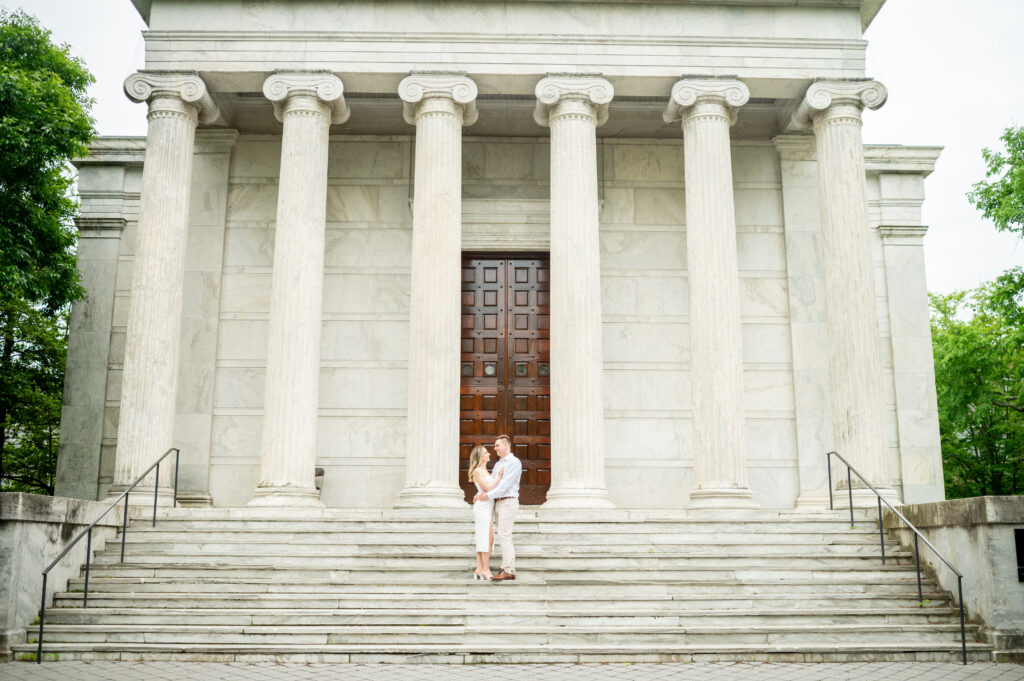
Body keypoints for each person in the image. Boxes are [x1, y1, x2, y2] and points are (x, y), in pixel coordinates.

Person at [473, 434, 522, 581]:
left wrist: (486, 496)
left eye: (497, 446)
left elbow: (504, 486)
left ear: (506, 445)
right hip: (497, 503)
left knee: (504, 535)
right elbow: (491, 483)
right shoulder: (498, 464)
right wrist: (480, 494)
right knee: (501, 535)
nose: (494, 449)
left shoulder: (514, 462)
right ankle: (501, 567)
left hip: (508, 501)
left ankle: (508, 569)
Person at [467, 445, 503, 580]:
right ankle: (485, 569)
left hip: (487, 506)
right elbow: (487, 488)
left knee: (484, 537)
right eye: (486, 453)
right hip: (482, 506)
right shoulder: (477, 471)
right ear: (480, 456)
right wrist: (499, 478)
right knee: (487, 537)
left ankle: (479, 569)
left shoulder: (486, 471)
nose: (489, 454)